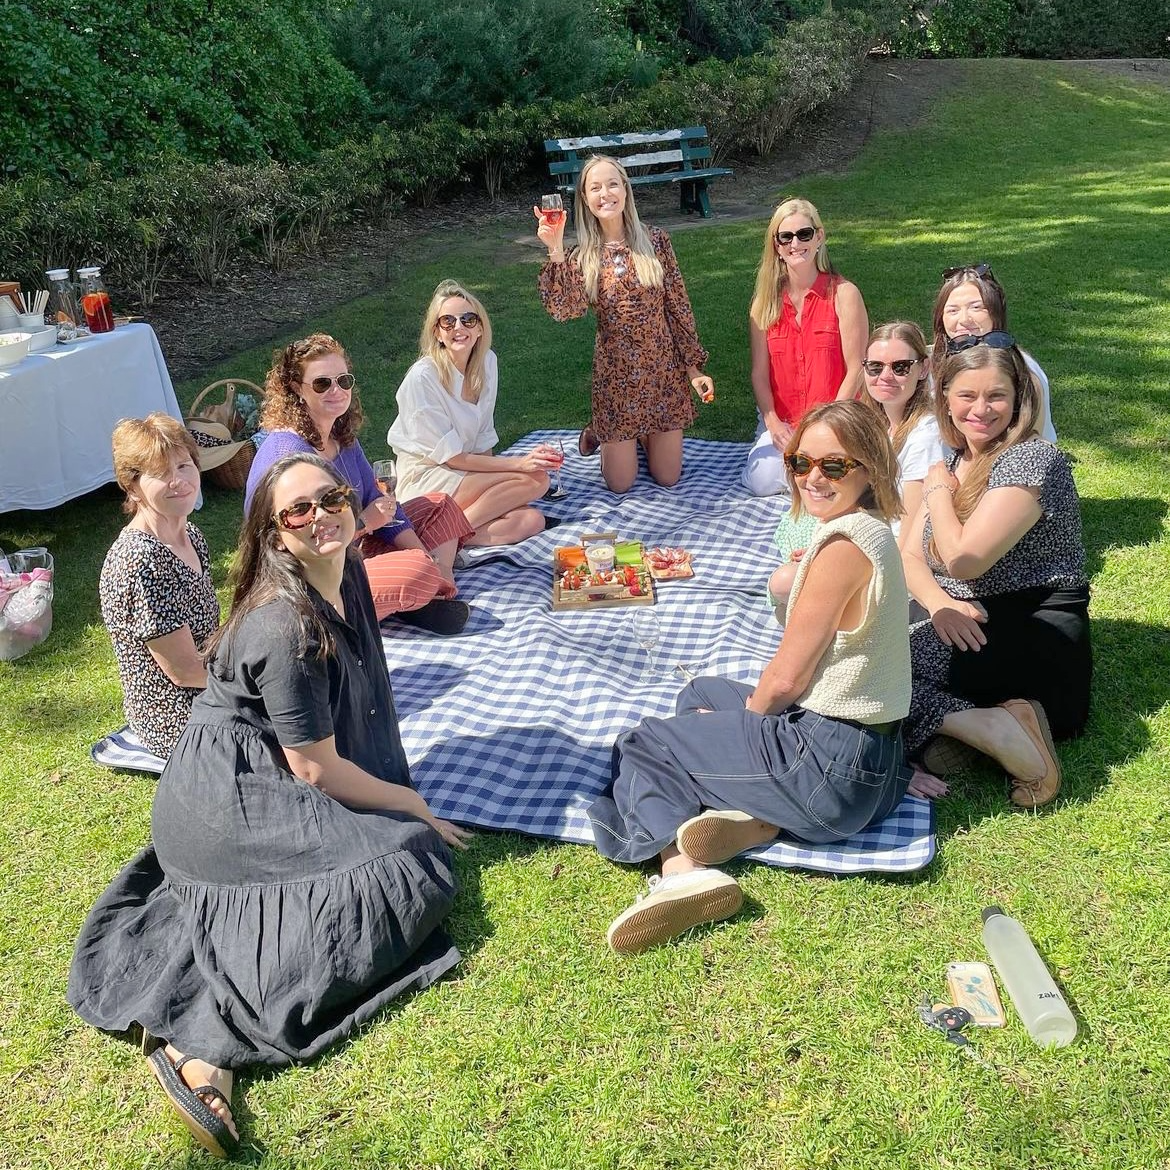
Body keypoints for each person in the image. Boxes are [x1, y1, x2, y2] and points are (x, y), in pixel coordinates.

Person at [68, 453, 471, 1159]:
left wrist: (392, 797)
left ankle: (206, 1031)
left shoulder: (344, 571)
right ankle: (202, 1046)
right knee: (410, 864)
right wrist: (409, 802)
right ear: (274, 534)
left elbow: (357, 708)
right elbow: (316, 768)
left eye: (331, 497)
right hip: (226, 797)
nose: (322, 516)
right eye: (298, 510)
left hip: (266, 775)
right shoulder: (286, 627)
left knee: (402, 853)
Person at [589, 401, 912, 954]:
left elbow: (785, 679)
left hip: (826, 772)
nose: (812, 477)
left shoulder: (841, 548)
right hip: (876, 770)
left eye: (833, 466)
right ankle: (754, 815)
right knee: (699, 693)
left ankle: (680, 871)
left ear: (870, 468)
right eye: (800, 462)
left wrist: (747, 727)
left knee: (647, 743)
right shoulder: (875, 530)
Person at [901, 339, 1090, 806]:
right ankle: (973, 726)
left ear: (1018, 398)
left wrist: (937, 494)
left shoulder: (1031, 459)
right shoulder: (955, 461)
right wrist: (939, 604)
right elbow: (908, 557)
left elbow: (965, 559)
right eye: (967, 395)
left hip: (1028, 631)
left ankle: (996, 728)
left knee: (867, 670)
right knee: (852, 644)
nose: (981, 409)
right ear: (945, 398)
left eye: (996, 396)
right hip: (962, 617)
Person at [246, 333, 474, 636]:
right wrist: (365, 522)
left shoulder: (341, 437)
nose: (336, 390)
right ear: (296, 388)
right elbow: (302, 543)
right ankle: (413, 594)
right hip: (314, 579)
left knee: (441, 506)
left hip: (352, 551)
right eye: (322, 383)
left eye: (343, 381)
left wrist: (422, 554)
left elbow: (380, 502)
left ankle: (428, 589)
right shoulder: (290, 458)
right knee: (415, 570)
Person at [536, 155, 715, 494]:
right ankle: (602, 429)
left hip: (662, 373)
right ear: (585, 198)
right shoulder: (582, 256)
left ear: (625, 190)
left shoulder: (656, 241)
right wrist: (555, 250)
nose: (605, 194)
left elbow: (678, 307)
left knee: (668, 477)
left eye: (612, 184)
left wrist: (694, 369)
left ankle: (640, 433)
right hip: (616, 379)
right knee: (620, 484)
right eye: (595, 188)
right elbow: (565, 310)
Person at [388, 280, 555, 546]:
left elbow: (483, 440)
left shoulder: (487, 363)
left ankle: (446, 541)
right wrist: (518, 464)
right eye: (448, 322)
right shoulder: (423, 378)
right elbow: (453, 458)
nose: (459, 327)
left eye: (468, 319)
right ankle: (443, 535)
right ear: (437, 333)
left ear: (479, 328)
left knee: (531, 519)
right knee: (536, 480)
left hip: (462, 474)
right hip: (427, 478)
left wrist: (495, 488)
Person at [99, 414, 220, 758]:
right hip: (176, 718)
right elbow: (184, 672)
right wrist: (254, 683)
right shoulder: (141, 561)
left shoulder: (190, 535)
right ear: (132, 486)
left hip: (212, 687)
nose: (178, 481)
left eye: (183, 466)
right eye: (161, 473)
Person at [743, 198, 868, 497]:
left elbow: (857, 370)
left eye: (804, 234)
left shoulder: (844, 294)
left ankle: (810, 474)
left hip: (837, 418)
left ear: (819, 237)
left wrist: (827, 427)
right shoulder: (764, 304)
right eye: (786, 237)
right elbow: (759, 374)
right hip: (785, 423)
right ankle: (807, 474)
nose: (795, 244)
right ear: (776, 246)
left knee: (839, 477)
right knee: (761, 481)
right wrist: (773, 424)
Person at [930, 262, 1057, 442]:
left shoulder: (1023, 369)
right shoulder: (929, 362)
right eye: (953, 310)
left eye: (976, 307)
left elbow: (1032, 440)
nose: (964, 319)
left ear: (996, 312)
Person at [860, 321, 946, 544]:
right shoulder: (878, 424)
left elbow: (912, 534)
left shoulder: (925, 437)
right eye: (875, 367)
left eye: (900, 367)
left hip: (899, 547)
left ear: (923, 369)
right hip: (876, 532)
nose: (886, 376)